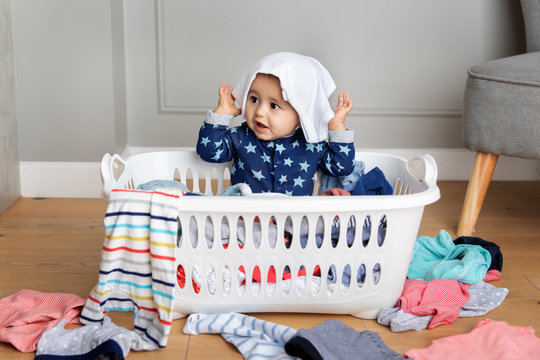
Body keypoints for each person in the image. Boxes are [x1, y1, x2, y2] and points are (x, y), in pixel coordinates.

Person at [196, 52, 355, 196]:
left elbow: (341, 167)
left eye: (274, 106)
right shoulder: (240, 137)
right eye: (254, 99)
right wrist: (222, 113)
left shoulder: (311, 145)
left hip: (295, 223)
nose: (259, 112)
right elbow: (208, 151)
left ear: (302, 115)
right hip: (247, 220)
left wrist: (336, 125)